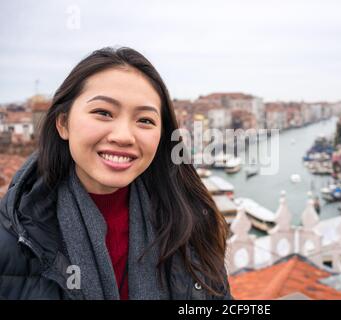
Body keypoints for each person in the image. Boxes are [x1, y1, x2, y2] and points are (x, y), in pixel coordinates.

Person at [0, 47, 232, 300]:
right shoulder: (13, 240)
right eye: (103, 113)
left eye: (145, 120)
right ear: (63, 123)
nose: (123, 136)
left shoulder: (191, 222)